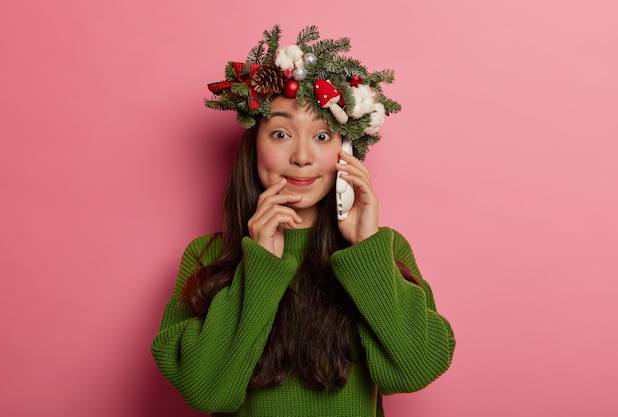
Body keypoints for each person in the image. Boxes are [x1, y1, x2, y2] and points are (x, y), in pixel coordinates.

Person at [151, 25, 455, 417]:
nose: (301, 157)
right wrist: (259, 267)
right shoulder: (206, 255)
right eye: (280, 133)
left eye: (323, 137)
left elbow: (415, 370)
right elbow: (206, 392)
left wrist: (365, 250)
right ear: (253, 144)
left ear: (347, 151)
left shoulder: (383, 250)